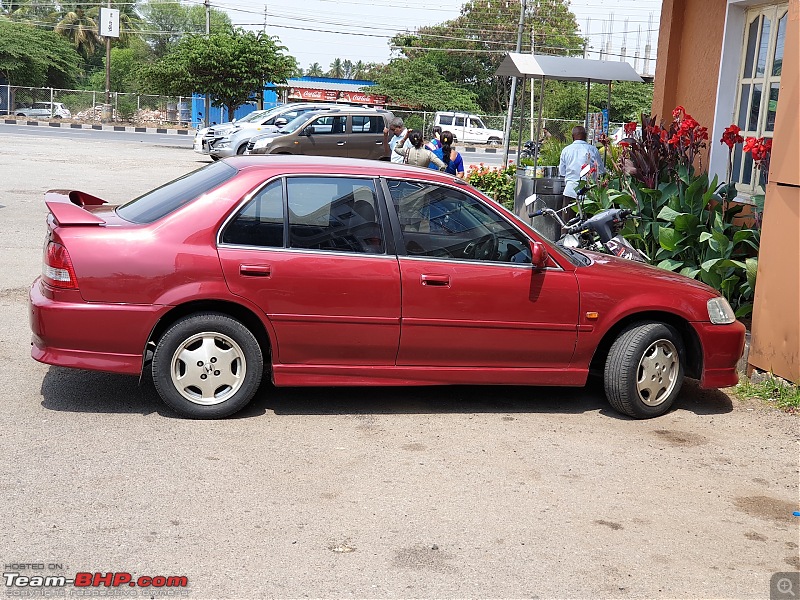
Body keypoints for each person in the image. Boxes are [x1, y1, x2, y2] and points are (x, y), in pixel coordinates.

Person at [558, 125, 605, 200]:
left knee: (568, 211)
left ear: (572, 136)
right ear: (585, 136)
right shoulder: (593, 150)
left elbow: (562, 172)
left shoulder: (566, 150)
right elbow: (601, 171)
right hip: (588, 193)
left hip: (570, 191)